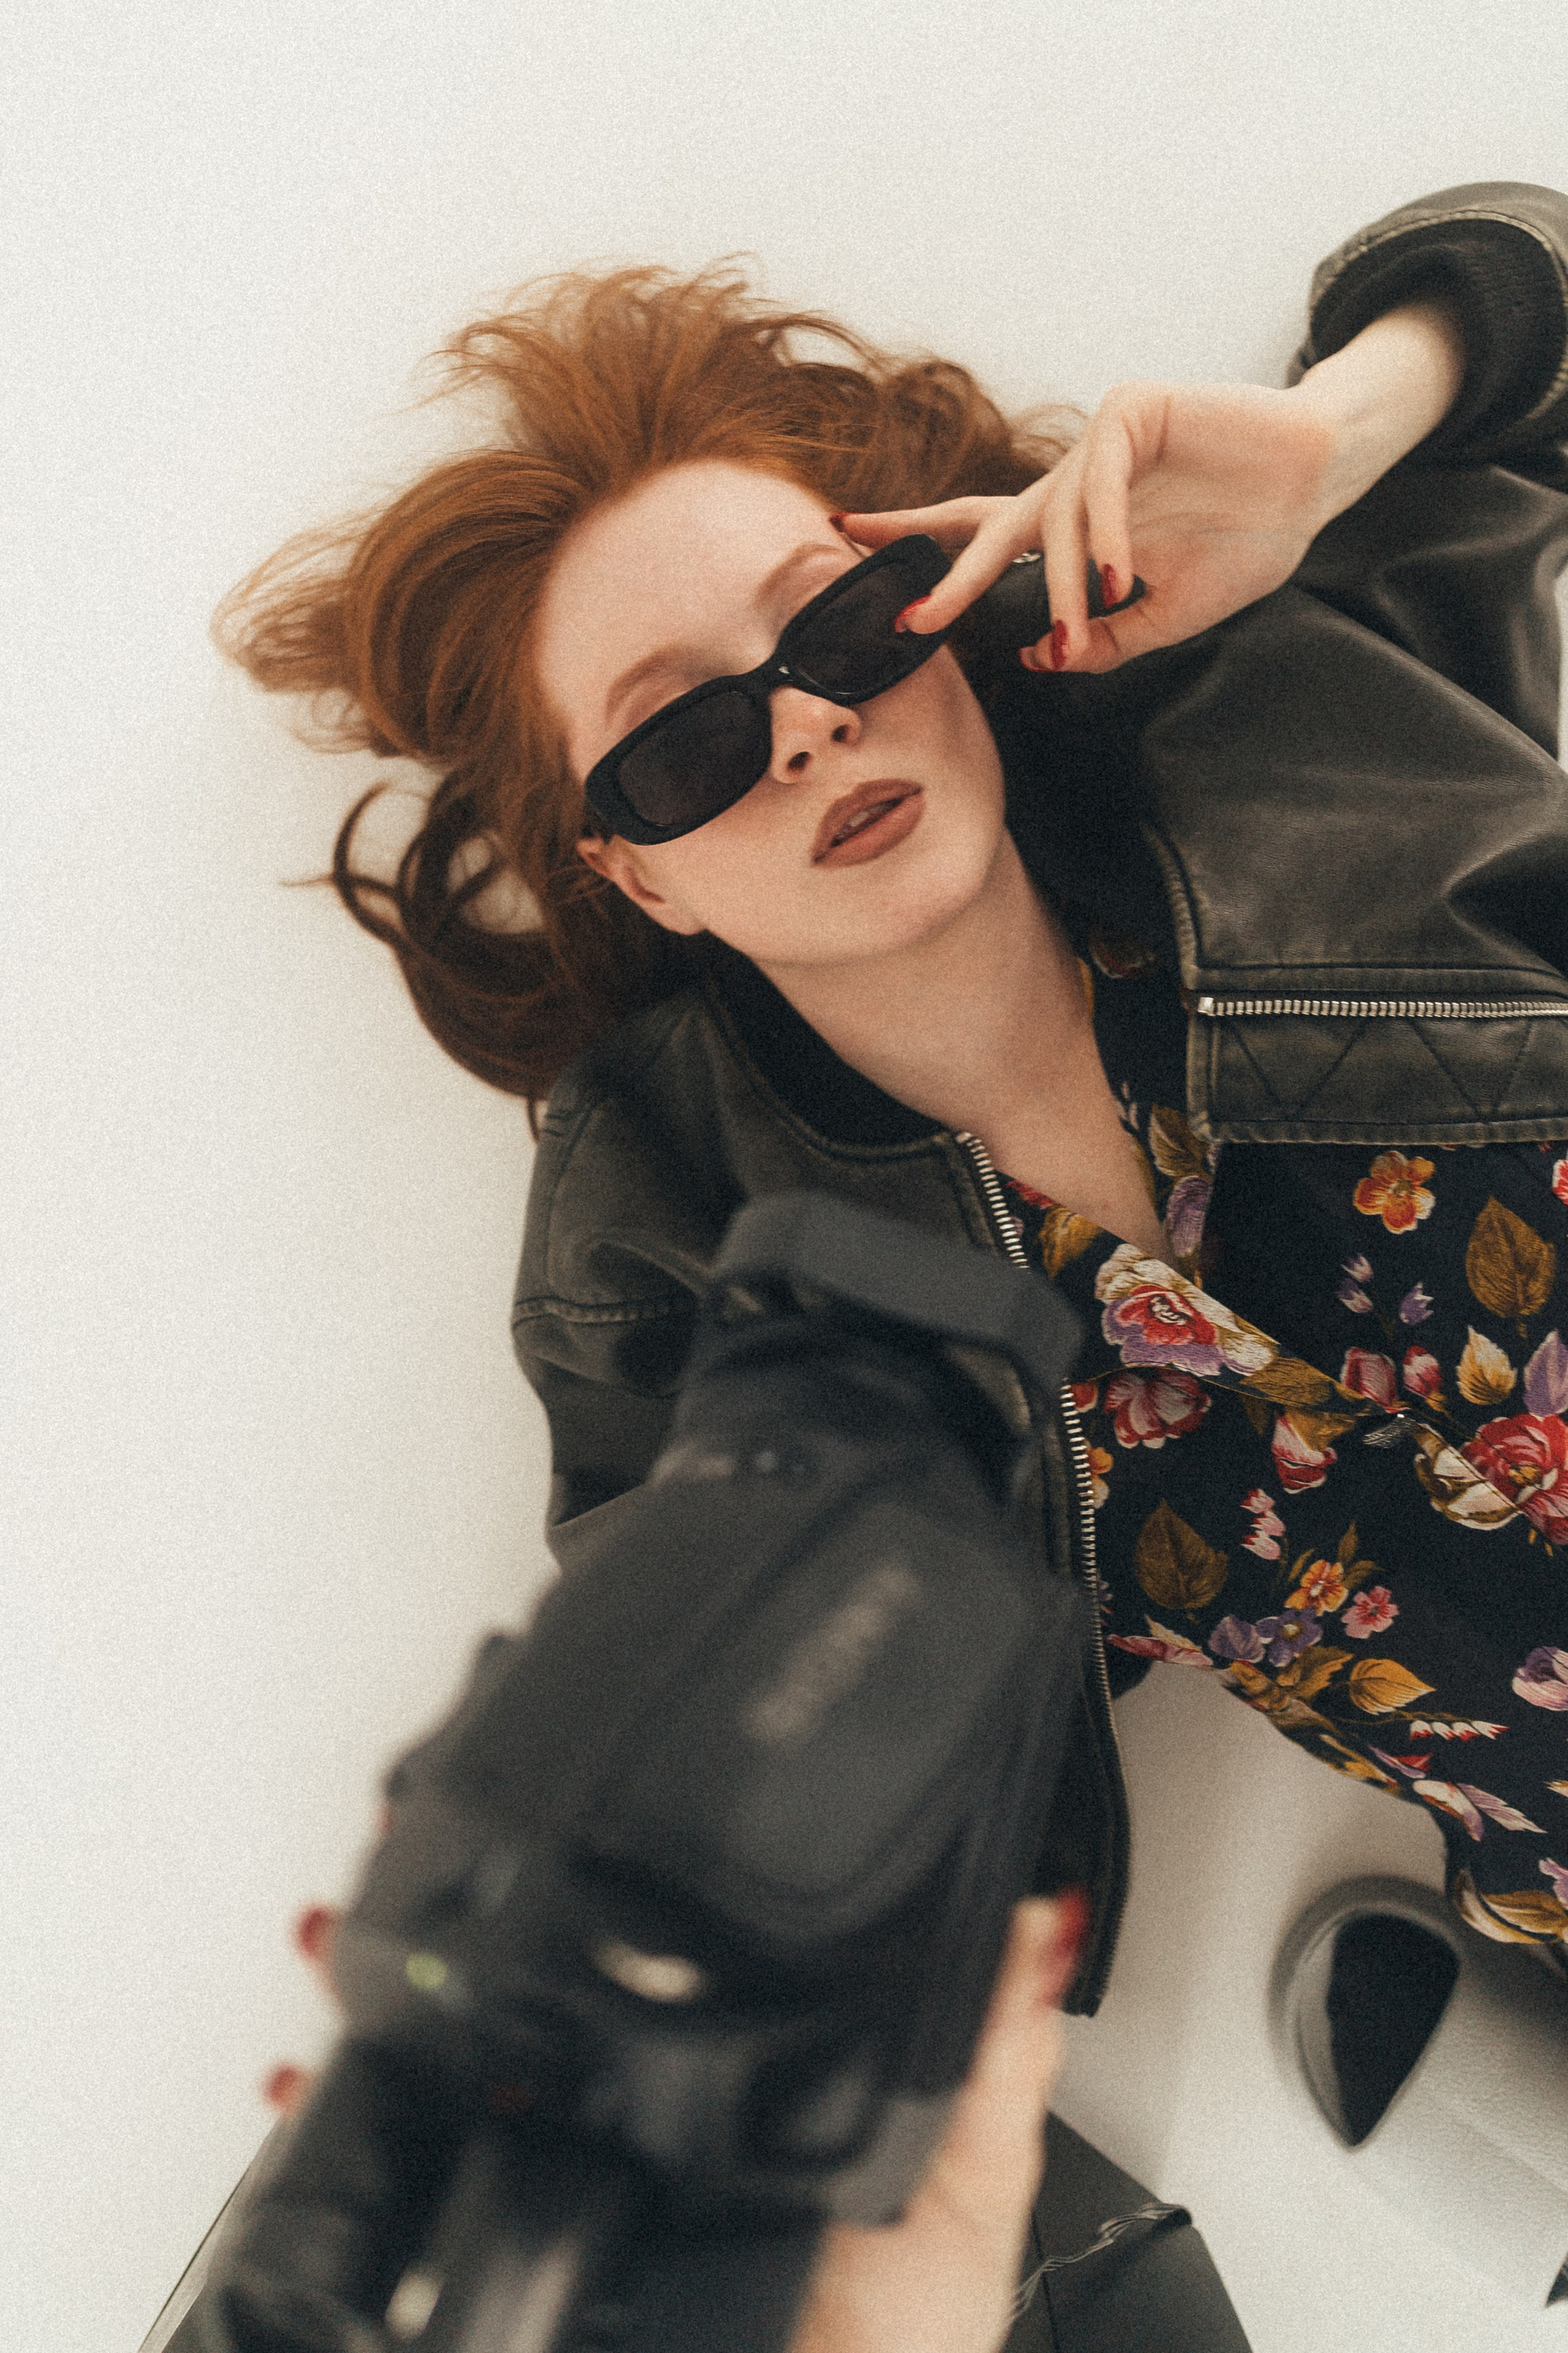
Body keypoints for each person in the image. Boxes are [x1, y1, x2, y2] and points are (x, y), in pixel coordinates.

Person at [222, 182, 1568, 2349]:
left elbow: (1531, 272)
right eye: (684, 738)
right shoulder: (693, 1272)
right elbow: (745, 1758)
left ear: (941, 617)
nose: (805, 729)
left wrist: (1333, 441)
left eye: (839, 630)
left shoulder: (1300, 713)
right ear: (638, 877)